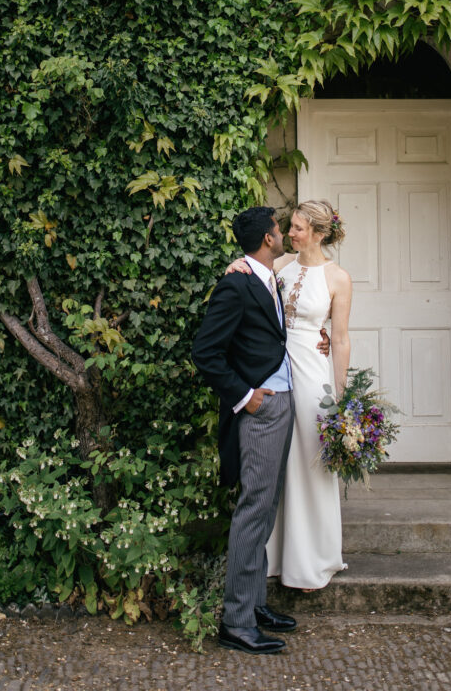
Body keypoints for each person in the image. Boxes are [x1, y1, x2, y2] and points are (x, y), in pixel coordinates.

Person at [226, 199, 352, 591]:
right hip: (276, 371)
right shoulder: (279, 266)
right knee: (277, 467)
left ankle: (312, 560)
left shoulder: (338, 279)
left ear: (319, 233)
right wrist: (234, 265)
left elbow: (342, 338)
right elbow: (251, 284)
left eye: (298, 228)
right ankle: (274, 559)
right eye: (290, 227)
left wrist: (342, 397)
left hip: (313, 377)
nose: (290, 233)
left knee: (310, 466)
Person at [191, 206, 298, 655]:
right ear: (268, 239)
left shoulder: (267, 274)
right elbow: (205, 352)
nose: (283, 231)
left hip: (284, 403)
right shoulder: (236, 283)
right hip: (260, 409)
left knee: (266, 504)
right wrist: (244, 396)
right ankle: (235, 622)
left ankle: (255, 605)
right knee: (253, 508)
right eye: (279, 227)